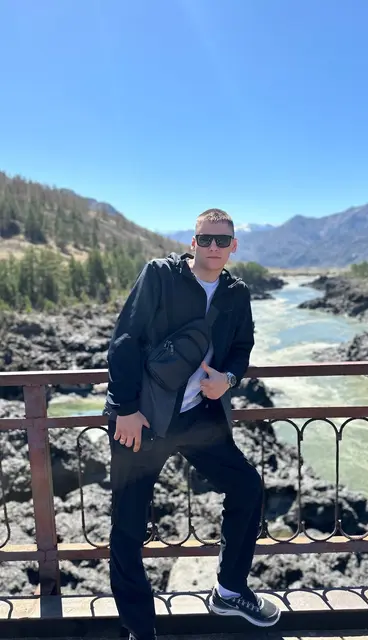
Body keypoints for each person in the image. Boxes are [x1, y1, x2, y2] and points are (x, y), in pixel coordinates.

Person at [103, 208, 281, 640]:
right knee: (128, 527)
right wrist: (125, 408)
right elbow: (124, 339)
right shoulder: (160, 276)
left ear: (234, 246)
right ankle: (140, 629)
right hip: (143, 419)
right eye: (205, 239)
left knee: (246, 487)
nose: (213, 247)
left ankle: (230, 590)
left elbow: (242, 346)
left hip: (198, 416)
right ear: (193, 242)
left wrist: (229, 379)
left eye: (222, 240)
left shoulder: (236, 293)